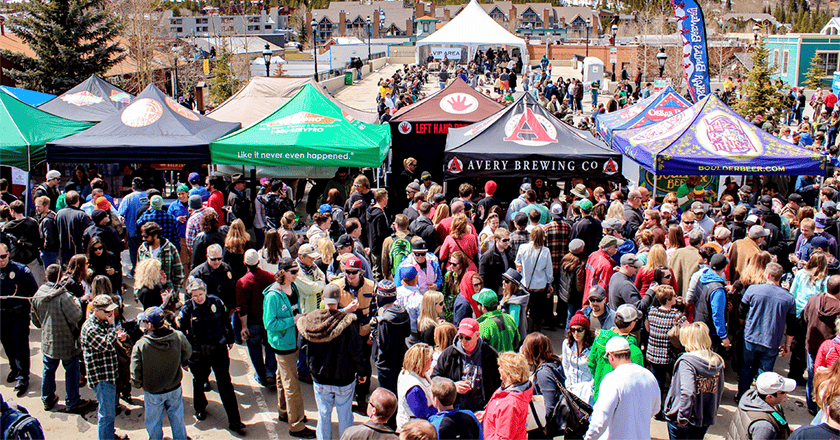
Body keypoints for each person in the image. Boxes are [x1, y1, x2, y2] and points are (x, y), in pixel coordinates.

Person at [297, 283, 367, 440]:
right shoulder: (348, 322)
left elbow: (301, 346)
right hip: (344, 379)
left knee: (323, 415)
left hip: (320, 378)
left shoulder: (311, 320)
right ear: (340, 299)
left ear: (322, 299)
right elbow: (356, 352)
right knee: (345, 415)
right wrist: (362, 372)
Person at [178, 278, 245, 433]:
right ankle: (200, 407)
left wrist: (230, 338)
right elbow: (182, 335)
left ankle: (235, 421)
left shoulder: (217, 303)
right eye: (195, 296)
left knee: (225, 385)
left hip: (218, 351)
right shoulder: (187, 310)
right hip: (198, 355)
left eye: (201, 294)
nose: (199, 298)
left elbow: (225, 322)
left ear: (206, 291)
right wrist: (185, 359)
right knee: (199, 382)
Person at [264, 258, 317, 438]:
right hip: (283, 344)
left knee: (282, 377)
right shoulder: (273, 296)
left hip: (292, 339)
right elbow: (269, 323)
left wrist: (298, 317)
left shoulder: (292, 288)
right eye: (293, 272)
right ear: (283, 272)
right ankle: (296, 424)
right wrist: (292, 321)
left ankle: (284, 411)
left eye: (297, 271)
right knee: (291, 385)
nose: (296, 275)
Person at [30, 263, 93, 413]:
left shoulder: (38, 295)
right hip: (66, 341)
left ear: (46, 277)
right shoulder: (63, 296)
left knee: (48, 369)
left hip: (48, 341)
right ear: (60, 278)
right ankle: (72, 401)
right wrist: (78, 301)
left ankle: (47, 398)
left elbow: (35, 321)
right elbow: (76, 316)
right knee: (71, 370)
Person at [130, 306, 192, 440]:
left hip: (153, 391)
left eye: (145, 322)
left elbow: (135, 370)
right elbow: (188, 351)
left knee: (154, 422)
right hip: (174, 386)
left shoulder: (141, 345)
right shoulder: (177, 336)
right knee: (177, 418)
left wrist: (138, 384)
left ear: (150, 325)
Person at [738, 262, 796, 400]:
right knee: (765, 373)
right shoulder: (788, 298)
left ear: (767, 275)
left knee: (746, 368)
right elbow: (791, 325)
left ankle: (742, 397)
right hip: (771, 341)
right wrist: (787, 345)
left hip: (751, 338)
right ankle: (761, 399)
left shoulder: (752, 290)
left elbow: (741, 312)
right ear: (780, 277)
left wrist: (744, 326)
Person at [585, 337, 660, 440]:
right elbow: (656, 409)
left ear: (610, 357)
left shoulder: (612, 379)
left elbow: (600, 420)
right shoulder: (649, 376)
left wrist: (589, 438)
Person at [663, 322, 725, 440]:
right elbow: (719, 389)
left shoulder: (686, 362)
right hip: (704, 418)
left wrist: (682, 418)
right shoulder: (717, 361)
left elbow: (687, 392)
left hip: (684, 420)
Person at [81, 294, 129, 440]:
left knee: (109, 412)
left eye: (112, 311)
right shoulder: (91, 328)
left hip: (109, 373)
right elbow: (107, 345)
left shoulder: (103, 322)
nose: (111, 314)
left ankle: (109, 435)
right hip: (102, 378)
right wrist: (113, 326)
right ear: (96, 310)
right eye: (107, 311)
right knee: (106, 415)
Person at [330, 255, 376, 407]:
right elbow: (328, 313)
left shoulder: (370, 285)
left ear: (360, 272)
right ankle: (347, 397)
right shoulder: (336, 286)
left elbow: (375, 312)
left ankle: (362, 396)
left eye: (354, 272)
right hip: (345, 334)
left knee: (364, 364)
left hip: (364, 332)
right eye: (348, 272)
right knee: (346, 364)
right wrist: (345, 310)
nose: (350, 275)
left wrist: (372, 333)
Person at [432, 318, 502, 412]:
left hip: (482, 410)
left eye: (467, 338)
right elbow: (435, 378)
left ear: (477, 336)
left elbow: (500, 383)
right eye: (460, 337)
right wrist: (452, 386)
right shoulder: (448, 354)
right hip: (456, 410)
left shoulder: (490, 354)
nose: (463, 341)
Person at [237, 249, 278, 389]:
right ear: (259, 262)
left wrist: (243, 326)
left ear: (244, 263)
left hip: (252, 322)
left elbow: (241, 307)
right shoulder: (270, 277)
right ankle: (271, 373)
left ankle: (261, 375)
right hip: (269, 320)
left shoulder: (242, 282)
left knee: (255, 350)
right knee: (270, 346)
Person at [0, 242, 37, 397]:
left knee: (20, 346)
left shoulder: (21, 270)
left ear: (9, 254)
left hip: (18, 315)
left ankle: (23, 377)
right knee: (7, 345)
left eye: (3, 256)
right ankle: (14, 369)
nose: (1, 260)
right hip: (1, 315)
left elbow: (34, 293)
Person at [589, 304, 645, 403]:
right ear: (632, 324)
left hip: (600, 396)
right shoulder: (634, 352)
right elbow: (638, 382)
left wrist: (599, 378)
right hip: (622, 403)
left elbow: (591, 364)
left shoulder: (599, 339)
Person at [521, 332, 567, 438]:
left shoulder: (543, 373)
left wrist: (545, 427)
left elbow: (549, 405)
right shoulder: (555, 363)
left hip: (546, 429)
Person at [727, 372, 795, 440]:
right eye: (783, 392)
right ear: (770, 397)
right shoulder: (764, 427)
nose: (788, 392)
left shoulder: (752, 399)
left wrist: (785, 430)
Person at [372, 280, 411, 394]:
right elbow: (407, 333)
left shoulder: (384, 320)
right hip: (399, 359)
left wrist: (374, 329)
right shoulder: (403, 311)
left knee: (386, 395)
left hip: (385, 364)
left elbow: (382, 345)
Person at [482, 351, 533, 440]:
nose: (498, 369)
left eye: (501, 367)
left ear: (509, 372)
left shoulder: (511, 403)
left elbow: (504, 437)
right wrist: (487, 414)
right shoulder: (508, 390)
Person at [516, 227, 553, 331]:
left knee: (524, 309)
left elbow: (517, 263)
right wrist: (550, 284)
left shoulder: (522, 247)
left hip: (525, 285)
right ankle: (536, 331)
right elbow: (549, 271)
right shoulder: (545, 251)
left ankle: (524, 329)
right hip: (540, 287)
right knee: (537, 312)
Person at [693, 253, 731, 350]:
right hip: (710, 333)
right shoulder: (718, 290)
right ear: (724, 268)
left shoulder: (702, 278)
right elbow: (717, 315)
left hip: (698, 326)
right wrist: (724, 337)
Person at [397, 343, 438, 430]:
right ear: (422, 362)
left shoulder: (421, 372)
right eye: (430, 359)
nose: (432, 361)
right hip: (414, 428)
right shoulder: (414, 389)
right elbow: (423, 415)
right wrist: (439, 407)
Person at [138, 222, 185, 292]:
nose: (143, 239)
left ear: (155, 235)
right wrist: (137, 292)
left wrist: (174, 293)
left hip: (166, 293)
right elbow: (138, 273)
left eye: (146, 236)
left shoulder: (170, 249)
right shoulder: (142, 249)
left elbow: (179, 273)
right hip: (147, 293)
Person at [2, 200, 41, 284]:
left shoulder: (8, 226)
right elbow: (38, 240)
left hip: (16, 258)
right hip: (31, 257)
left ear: (12, 211)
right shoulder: (32, 223)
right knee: (34, 281)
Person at [190, 243, 236, 309]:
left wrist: (231, 309)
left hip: (223, 312)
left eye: (219, 259)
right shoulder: (198, 274)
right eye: (213, 259)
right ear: (207, 256)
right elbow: (189, 297)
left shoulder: (226, 270)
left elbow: (232, 291)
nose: (217, 262)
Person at [474, 288, 519, 353]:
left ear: (483, 307)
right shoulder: (510, 318)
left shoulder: (483, 326)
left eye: (478, 303)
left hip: (493, 362)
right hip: (509, 360)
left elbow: (480, 351)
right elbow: (516, 344)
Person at [118, 177, 148, 272]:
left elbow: (120, 214)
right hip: (147, 230)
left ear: (132, 187)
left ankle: (136, 270)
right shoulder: (148, 196)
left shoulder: (128, 198)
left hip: (133, 231)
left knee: (134, 251)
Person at [56, 191, 94, 264]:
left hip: (63, 252)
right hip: (79, 252)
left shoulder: (59, 214)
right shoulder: (82, 215)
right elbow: (90, 233)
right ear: (77, 200)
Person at [583, 236, 619, 305]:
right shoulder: (606, 266)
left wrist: (612, 271)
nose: (617, 249)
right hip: (596, 303)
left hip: (588, 295)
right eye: (616, 247)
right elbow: (603, 289)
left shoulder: (593, 255)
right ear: (609, 249)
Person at [480, 228, 515, 295]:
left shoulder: (509, 252)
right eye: (504, 240)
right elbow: (483, 277)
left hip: (508, 291)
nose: (507, 242)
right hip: (494, 292)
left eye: (508, 240)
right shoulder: (487, 256)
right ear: (497, 240)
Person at [34, 195, 60, 269]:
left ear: (46, 206)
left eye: (39, 207)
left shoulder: (47, 220)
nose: (37, 209)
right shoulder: (51, 215)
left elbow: (49, 237)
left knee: (50, 271)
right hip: (52, 251)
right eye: (36, 206)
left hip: (49, 252)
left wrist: (44, 249)